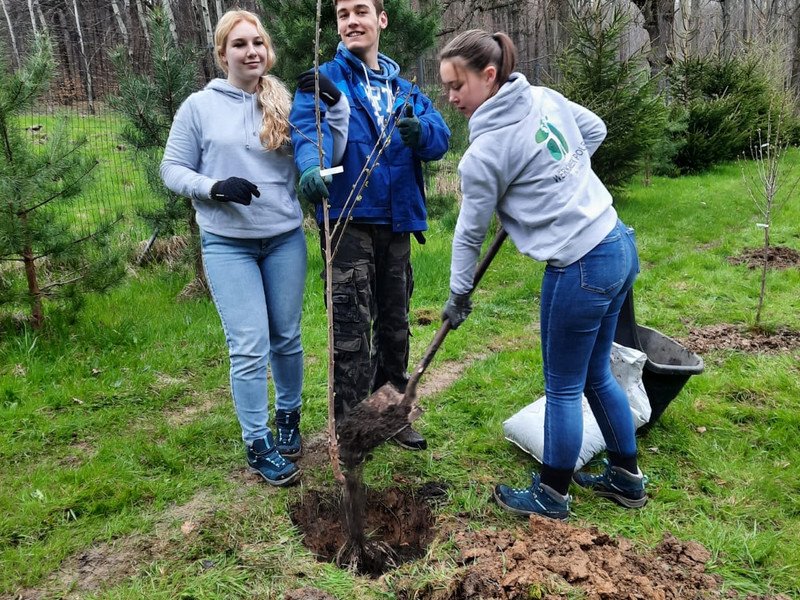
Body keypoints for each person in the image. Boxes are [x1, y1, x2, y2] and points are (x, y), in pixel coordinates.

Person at [438, 30, 646, 519]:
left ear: (488, 77)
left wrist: (458, 293)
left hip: (580, 267)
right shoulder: (543, 96)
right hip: (617, 243)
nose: (450, 98)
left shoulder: (485, 152)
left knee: (564, 387)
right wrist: (557, 185)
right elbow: (593, 130)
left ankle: (552, 495)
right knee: (597, 373)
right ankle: (627, 478)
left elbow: (468, 236)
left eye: (457, 85)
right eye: (446, 87)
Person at [160, 10, 349, 486]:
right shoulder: (199, 108)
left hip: (283, 238)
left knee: (286, 337)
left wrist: (336, 105)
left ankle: (289, 417)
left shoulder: (284, 101)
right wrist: (214, 186)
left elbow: (330, 154)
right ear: (223, 53)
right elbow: (171, 169)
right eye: (240, 44)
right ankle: (257, 440)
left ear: (268, 50)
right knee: (248, 345)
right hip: (228, 244)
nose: (252, 52)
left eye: (258, 43)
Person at [290, 0, 450, 450]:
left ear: (381, 20)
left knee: (395, 326)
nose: (351, 21)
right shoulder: (325, 80)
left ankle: (392, 415)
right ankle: (353, 429)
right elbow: (307, 129)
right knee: (350, 327)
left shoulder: (403, 88)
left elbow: (441, 136)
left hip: (398, 222)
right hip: (348, 221)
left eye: (361, 11)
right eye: (342, 14)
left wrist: (422, 133)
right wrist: (309, 166)